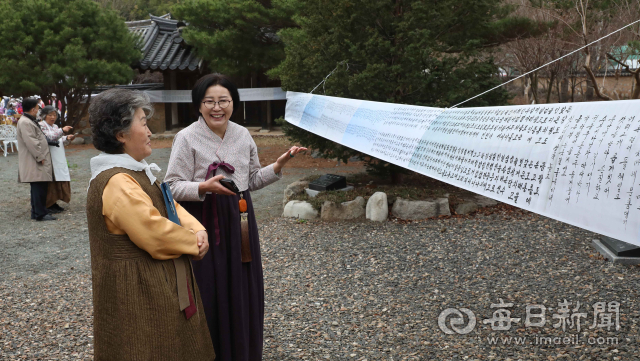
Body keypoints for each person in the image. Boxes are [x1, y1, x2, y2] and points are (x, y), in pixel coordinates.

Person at [165, 73, 307, 361]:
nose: (217, 108)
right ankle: (207, 351)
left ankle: (241, 350)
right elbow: (171, 186)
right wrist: (203, 187)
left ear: (233, 103)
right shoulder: (186, 137)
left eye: (224, 101)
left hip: (240, 216)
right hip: (203, 218)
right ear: (199, 105)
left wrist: (277, 166)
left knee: (241, 283)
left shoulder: (242, 134)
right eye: (209, 102)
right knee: (208, 285)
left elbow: (251, 179)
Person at [86, 88, 215, 360]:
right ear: (120, 135)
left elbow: (170, 204)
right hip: (137, 289)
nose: (149, 132)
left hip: (155, 280)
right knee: (144, 345)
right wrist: (192, 242)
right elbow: (153, 231)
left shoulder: (137, 171)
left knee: (169, 343)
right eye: (143, 123)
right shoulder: (117, 181)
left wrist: (197, 229)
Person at [16, 98, 55, 221]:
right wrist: (40, 156)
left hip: (35, 159)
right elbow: (31, 141)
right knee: (39, 186)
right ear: (33, 109)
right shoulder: (26, 122)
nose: (38, 111)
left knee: (38, 186)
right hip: (35, 160)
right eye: (38, 109)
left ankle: (37, 211)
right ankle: (40, 213)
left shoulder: (28, 120)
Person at [39, 105, 75, 213]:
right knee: (50, 180)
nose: (52, 117)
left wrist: (66, 137)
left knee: (57, 179)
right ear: (44, 116)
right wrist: (62, 131)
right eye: (50, 115)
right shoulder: (41, 125)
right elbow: (49, 137)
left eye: (54, 115)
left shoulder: (54, 126)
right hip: (48, 156)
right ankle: (48, 203)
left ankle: (54, 202)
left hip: (57, 156)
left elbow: (58, 137)